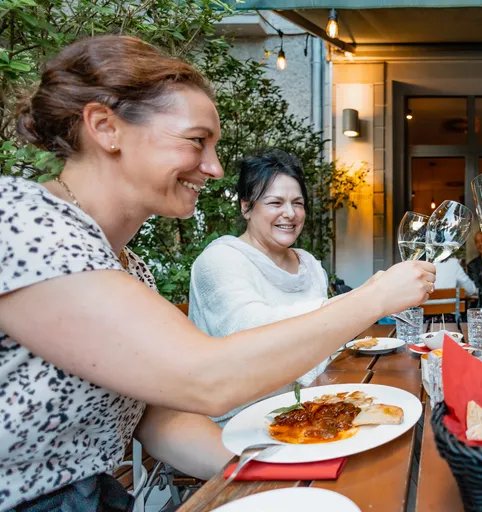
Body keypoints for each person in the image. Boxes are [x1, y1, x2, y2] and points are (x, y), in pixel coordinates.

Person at [0, 35, 434, 511]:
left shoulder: (128, 266)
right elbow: (206, 379)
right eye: (196, 141)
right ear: (106, 127)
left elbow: (160, 417)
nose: (214, 167)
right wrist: (374, 296)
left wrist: (283, 473)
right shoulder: (21, 223)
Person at [189, 149, 333, 424]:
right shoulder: (220, 260)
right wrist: (360, 303)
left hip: (312, 407)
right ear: (246, 207)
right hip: (238, 420)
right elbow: (254, 335)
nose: (290, 214)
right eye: (275, 202)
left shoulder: (310, 265)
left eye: (298, 203)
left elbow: (324, 347)